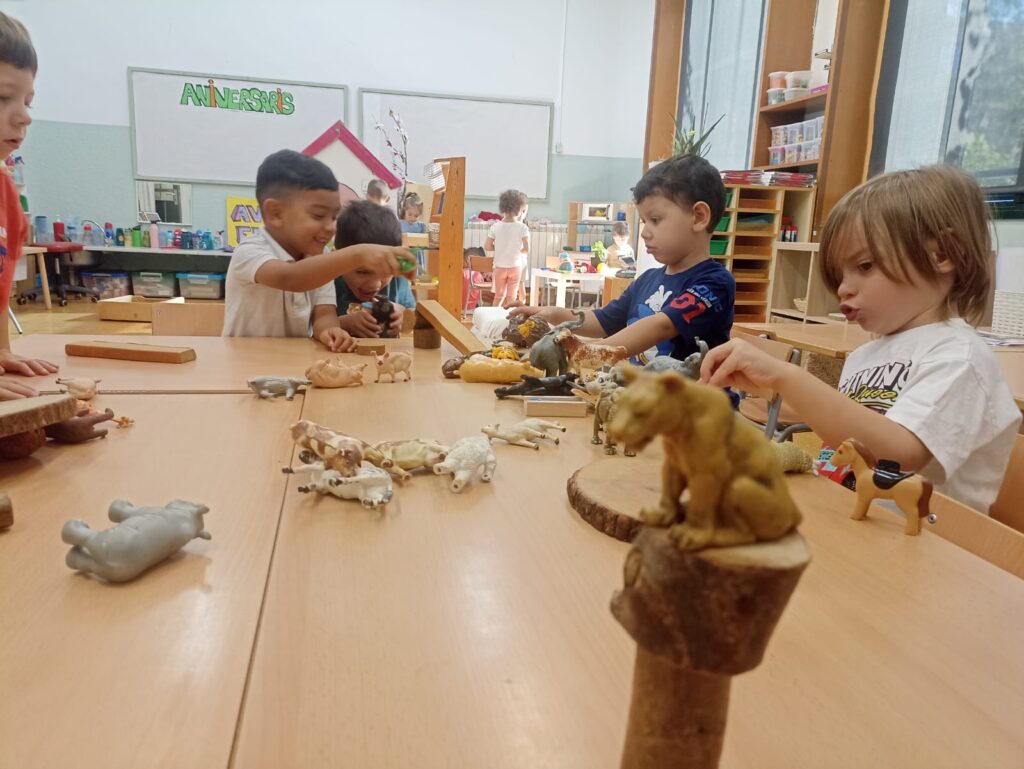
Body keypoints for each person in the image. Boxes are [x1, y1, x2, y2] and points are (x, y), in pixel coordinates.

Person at [701, 165, 1021, 513]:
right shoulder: (865, 355)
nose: (843, 288)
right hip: (852, 522)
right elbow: (846, 448)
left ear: (941, 254)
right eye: (840, 274)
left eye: (865, 266)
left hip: (924, 543)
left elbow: (900, 454)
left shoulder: (960, 358)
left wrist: (786, 377)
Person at [510, 154, 735, 362]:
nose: (644, 233)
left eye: (656, 220)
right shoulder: (647, 280)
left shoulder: (714, 283)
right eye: (644, 222)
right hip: (637, 390)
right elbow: (602, 321)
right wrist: (552, 314)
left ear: (699, 217)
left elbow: (662, 325)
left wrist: (588, 351)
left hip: (689, 394)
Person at [222, 150, 407, 349]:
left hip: (293, 362)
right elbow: (291, 278)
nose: (331, 227)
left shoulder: (321, 258)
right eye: (318, 216)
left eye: (334, 217)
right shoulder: (250, 252)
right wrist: (359, 254)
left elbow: (324, 315)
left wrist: (331, 330)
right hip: (243, 361)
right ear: (275, 213)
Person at [0, 13, 58, 399]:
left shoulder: (6, 193)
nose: (24, 117)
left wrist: (2, 351)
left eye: (27, 101)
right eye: (2, 98)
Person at [334, 200, 416, 338]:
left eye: (385, 272)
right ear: (338, 259)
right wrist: (342, 323)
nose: (375, 285)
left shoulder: (397, 277)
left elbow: (414, 314)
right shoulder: (329, 280)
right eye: (362, 272)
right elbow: (315, 324)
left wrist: (404, 315)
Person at [485, 189, 529, 308]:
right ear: (519, 210)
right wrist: (516, 250)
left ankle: (492, 317)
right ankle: (510, 318)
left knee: (498, 296)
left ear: (502, 208)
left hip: (499, 267)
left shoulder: (495, 226)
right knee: (511, 297)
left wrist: (500, 247)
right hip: (515, 267)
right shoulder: (523, 228)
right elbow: (526, 249)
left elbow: (487, 246)